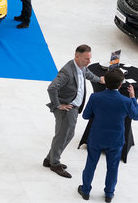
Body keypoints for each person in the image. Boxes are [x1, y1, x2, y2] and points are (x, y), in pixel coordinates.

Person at [77, 68, 138, 202]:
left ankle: (86, 190)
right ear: (120, 84)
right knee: (113, 167)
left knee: (91, 163)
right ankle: (109, 194)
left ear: (105, 81)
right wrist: (133, 97)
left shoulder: (95, 97)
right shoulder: (126, 101)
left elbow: (85, 115)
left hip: (96, 137)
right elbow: (136, 116)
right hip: (115, 140)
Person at [44, 45, 104, 178]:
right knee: (62, 136)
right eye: (86, 59)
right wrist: (58, 105)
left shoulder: (81, 67)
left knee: (68, 134)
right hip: (67, 109)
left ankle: (50, 158)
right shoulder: (67, 72)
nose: (89, 62)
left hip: (74, 107)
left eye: (89, 59)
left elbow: (87, 74)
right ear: (77, 56)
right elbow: (52, 88)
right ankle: (54, 163)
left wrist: (99, 79)